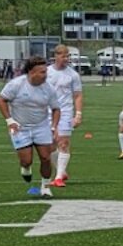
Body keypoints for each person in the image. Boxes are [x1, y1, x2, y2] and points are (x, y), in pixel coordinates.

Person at [0, 57, 60, 197]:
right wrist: (9, 120)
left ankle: (45, 186)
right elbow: (1, 100)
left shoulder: (48, 89)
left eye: (46, 72)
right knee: (26, 160)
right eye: (42, 72)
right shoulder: (16, 84)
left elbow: (56, 109)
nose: (46, 75)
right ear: (32, 72)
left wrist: (54, 127)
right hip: (20, 128)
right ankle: (25, 168)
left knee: (45, 158)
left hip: (41, 126)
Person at [45, 45, 83, 188]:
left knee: (63, 143)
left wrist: (78, 114)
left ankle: (59, 177)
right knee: (50, 146)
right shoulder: (47, 72)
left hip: (65, 112)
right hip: (48, 113)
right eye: (62, 56)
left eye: (67, 56)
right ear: (55, 56)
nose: (65, 59)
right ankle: (62, 171)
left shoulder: (73, 75)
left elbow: (78, 95)